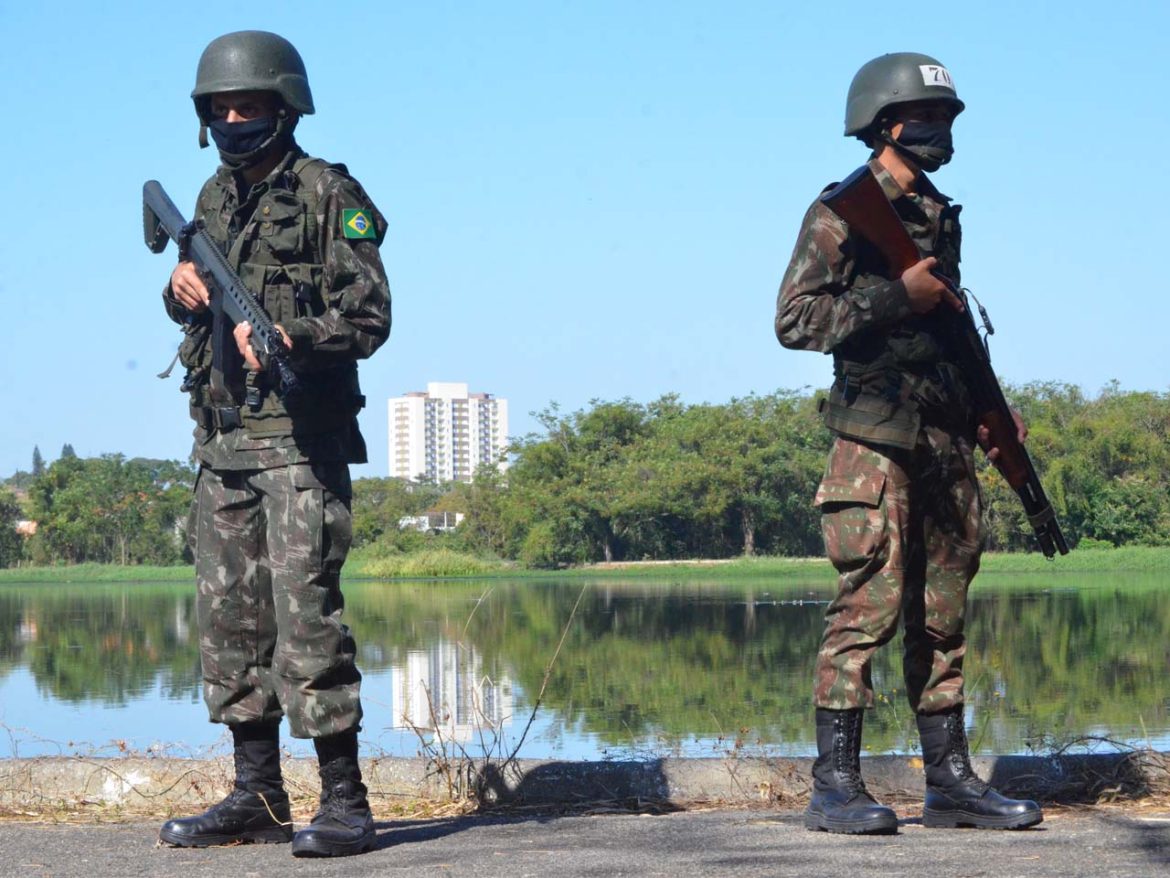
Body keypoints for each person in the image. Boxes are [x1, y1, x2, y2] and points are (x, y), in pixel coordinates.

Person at [775, 52, 1043, 834]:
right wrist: (897, 293)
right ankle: (834, 787)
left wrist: (991, 410)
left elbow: (946, 333)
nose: (938, 129)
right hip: (874, 440)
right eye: (925, 117)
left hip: (944, 439)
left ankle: (951, 784)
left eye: (947, 118)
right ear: (883, 124)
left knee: (943, 612)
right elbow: (795, 322)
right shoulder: (842, 211)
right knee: (869, 606)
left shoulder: (936, 210)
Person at [156, 31, 391, 858]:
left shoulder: (331, 193)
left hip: (299, 445)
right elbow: (197, 304)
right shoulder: (211, 200)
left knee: (309, 624)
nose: (232, 118)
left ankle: (346, 802)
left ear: (284, 107)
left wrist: (292, 337)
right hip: (221, 447)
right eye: (218, 107)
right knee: (230, 629)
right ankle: (255, 795)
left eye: (247, 104)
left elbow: (369, 318)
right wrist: (180, 291)